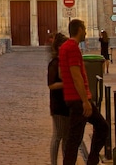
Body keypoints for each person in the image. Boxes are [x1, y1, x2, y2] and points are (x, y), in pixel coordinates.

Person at [60, 19, 109, 165]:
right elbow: (76, 76)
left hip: (72, 97)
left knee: (76, 138)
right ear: (79, 29)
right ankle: (92, 160)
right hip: (78, 99)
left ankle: (92, 159)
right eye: (84, 29)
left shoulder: (64, 47)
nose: (86, 32)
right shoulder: (73, 48)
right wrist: (85, 101)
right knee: (79, 137)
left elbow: (63, 74)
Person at [48, 32, 71, 164]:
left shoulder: (64, 61)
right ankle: (53, 162)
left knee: (66, 136)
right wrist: (68, 83)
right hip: (58, 103)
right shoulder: (54, 63)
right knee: (58, 135)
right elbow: (51, 85)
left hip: (67, 102)